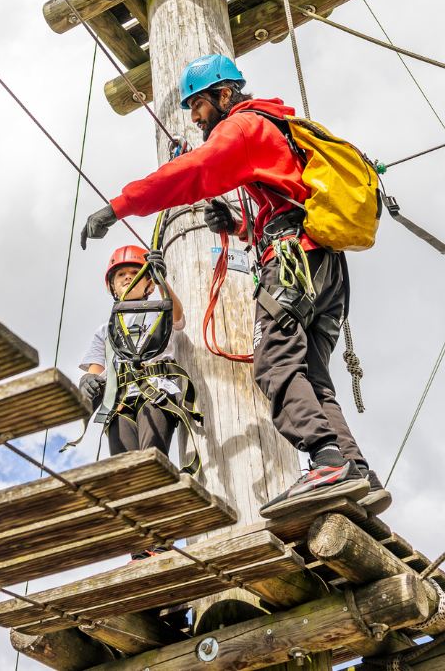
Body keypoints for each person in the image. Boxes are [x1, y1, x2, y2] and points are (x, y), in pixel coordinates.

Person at [78, 54, 388, 518]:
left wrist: (119, 207)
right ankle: (354, 467)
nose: (196, 117)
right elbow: (286, 203)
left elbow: (194, 172)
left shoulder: (242, 125)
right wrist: (241, 225)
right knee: (313, 377)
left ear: (225, 94)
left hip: (292, 262)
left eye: (199, 104)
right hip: (322, 265)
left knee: (274, 362)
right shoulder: (275, 126)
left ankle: (326, 460)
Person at [75, 246, 196, 561]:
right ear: (112, 287)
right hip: (119, 403)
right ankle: (138, 547)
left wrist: (162, 280)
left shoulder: (161, 309)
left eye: (135, 275)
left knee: (150, 459)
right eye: (121, 276)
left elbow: (179, 319)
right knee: (126, 473)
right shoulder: (105, 330)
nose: (128, 279)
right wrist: (88, 382)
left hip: (157, 394)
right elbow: (94, 372)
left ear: (148, 283)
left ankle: (161, 540)